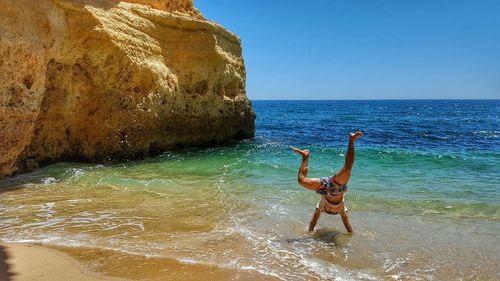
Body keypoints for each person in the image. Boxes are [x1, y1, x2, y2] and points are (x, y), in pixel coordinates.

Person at [292, 131, 362, 234]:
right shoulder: (342, 209)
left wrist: (310, 233)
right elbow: (348, 226)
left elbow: (312, 222)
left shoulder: (321, 206)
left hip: (323, 187)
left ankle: (305, 156)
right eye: (332, 210)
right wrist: (351, 234)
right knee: (347, 168)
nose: (330, 208)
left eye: (328, 209)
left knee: (301, 180)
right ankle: (351, 140)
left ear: (325, 209)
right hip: (337, 187)